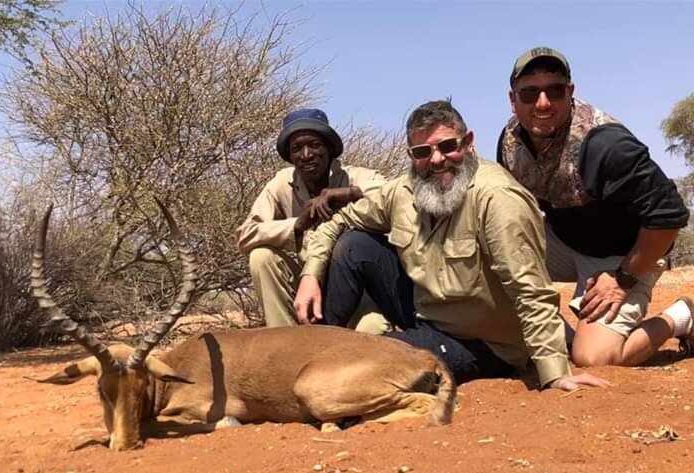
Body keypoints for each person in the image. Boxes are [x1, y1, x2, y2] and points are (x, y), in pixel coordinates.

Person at [294, 99, 609, 391]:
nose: (437, 160)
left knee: (375, 363)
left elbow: (531, 290)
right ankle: (314, 351)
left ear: (468, 143)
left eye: (447, 146)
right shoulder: (402, 190)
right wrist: (310, 275)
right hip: (425, 309)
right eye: (422, 152)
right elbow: (338, 221)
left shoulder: (496, 197)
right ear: (411, 155)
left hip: (482, 340)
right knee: (352, 245)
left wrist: (554, 373)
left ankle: (331, 374)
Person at [498, 46, 692, 367]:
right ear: (513, 99)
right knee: (483, 263)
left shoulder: (607, 145)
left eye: (555, 90)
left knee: (596, 358)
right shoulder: (510, 141)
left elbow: (669, 215)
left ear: (570, 92)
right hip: (562, 241)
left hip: (622, 255)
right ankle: (559, 337)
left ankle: (682, 316)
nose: (543, 103)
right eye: (530, 93)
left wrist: (622, 278)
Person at [237, 108, 388, 331]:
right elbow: (246, 235)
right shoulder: (281, 184)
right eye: (297, 148)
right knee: (261, 257)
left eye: (314, 145)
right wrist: (297, 224)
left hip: (357, 289)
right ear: (290, 155)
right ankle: (286, 343)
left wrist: (347, 194)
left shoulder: (357, 177)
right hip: (306, 287)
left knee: (372, 330)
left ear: (329, 149)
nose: (306, 155)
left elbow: (393, 196)